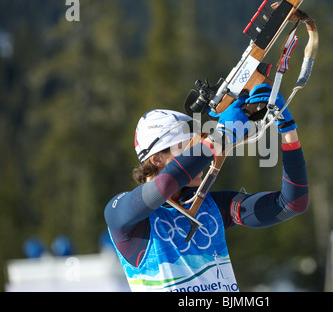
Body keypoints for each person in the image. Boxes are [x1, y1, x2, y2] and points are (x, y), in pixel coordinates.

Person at [104, 84, 309, 292]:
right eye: (188, 148)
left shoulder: (209, 207)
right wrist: (220, 137)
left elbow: (292, 203)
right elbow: (164, 185)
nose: (201, 155)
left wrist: (288, 129)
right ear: (157, 159)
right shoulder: (121, 214)